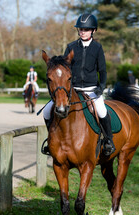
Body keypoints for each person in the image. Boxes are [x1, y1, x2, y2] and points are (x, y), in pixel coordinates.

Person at [43, 13, 115, 156]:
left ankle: (108, 140)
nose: (83, 32)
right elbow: (63, 69)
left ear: (93, 31)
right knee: (46, 110)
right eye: (81, 29)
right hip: (72, 89)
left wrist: (101, 87)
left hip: (91, 89)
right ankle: (51, 139)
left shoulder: (97, 47)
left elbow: (102, 70)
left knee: (101, 110)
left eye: (86, 29)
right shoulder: (71, 47)